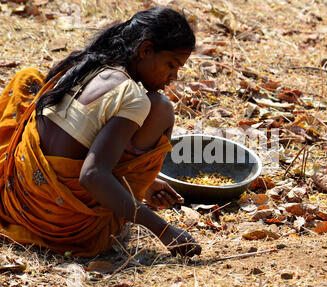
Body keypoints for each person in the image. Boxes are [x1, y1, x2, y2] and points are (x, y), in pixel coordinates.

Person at [0, 6, 202, 258]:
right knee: (161, 108)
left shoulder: (84, 64)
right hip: (62, 227)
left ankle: (125, 188)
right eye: (172, 65)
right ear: (146, 50)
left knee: (27, 77)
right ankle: (124, 193)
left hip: (15, 198)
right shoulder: (133, 97)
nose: (174, 76)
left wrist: (145, 183)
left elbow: (82, 143)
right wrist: (163, 229)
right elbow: (92, 175)